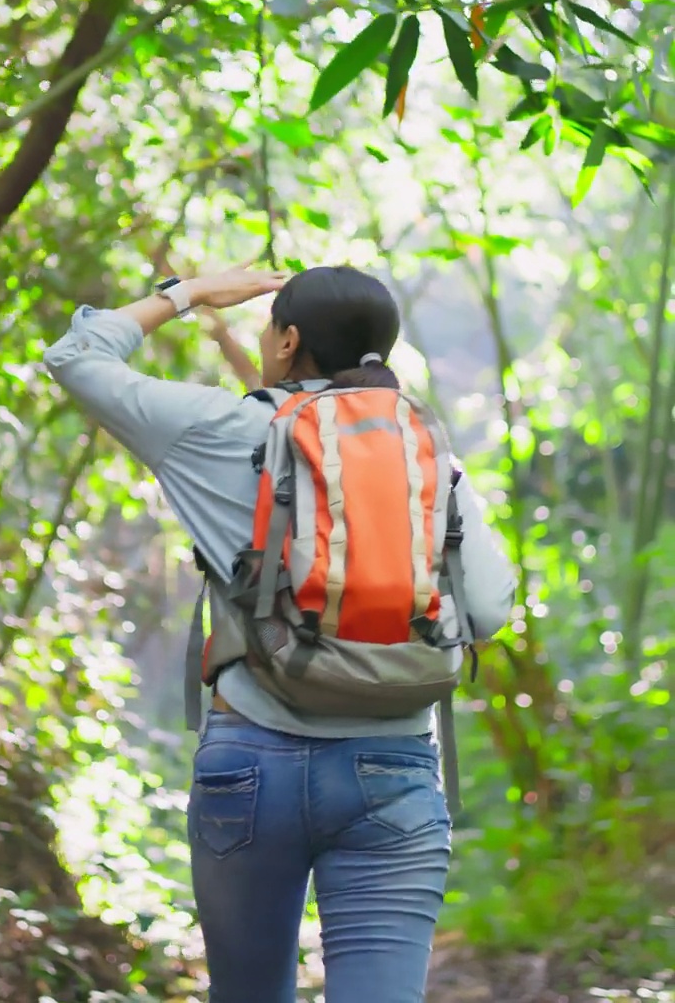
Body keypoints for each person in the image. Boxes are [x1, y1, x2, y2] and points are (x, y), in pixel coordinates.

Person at [44, 263, 515, 1003]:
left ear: (288, 341)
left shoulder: (222, 426)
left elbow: (75, 358)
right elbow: (487, 609)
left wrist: (189, 294)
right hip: (391, 765)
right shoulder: (428, 457)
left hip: (249, 761)